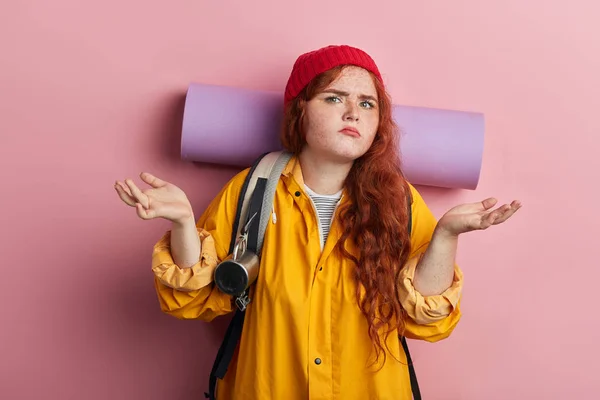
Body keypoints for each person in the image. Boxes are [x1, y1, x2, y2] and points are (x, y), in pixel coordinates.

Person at [115, 44, 521, 399]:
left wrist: (447, 235)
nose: (353, 112)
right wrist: (185, 224)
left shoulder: (400, 201)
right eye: (333, 98)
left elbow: (424, 320)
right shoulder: (253, 190)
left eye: (367, 103)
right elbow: (195, 300)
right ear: (300, 111)